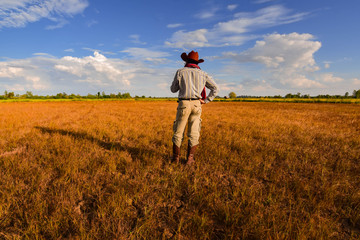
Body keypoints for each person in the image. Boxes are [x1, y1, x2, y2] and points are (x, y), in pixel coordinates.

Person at [170, 50, 219, 165]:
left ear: (186, 61)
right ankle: (190, 160)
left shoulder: (180, 72)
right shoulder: (203, 74)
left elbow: (173, 89)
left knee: (178, 132)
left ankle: (175, 159)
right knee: (194, 133)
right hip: (197, 104)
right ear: (197, 63)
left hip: (184, 104)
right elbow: (215, 88)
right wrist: (206, 100)